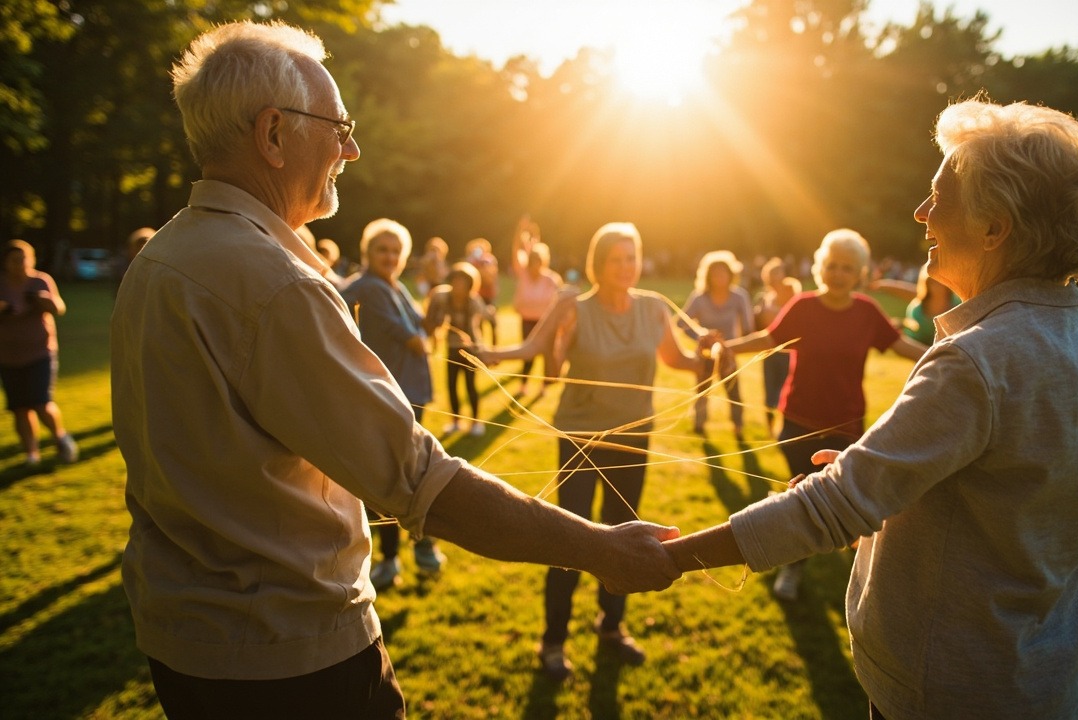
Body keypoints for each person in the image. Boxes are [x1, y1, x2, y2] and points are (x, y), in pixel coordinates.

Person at [110, 22, 679, 719]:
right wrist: (596, 546)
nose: (351, 148)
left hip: (185, 647)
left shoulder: (161, 259)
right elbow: (417, 480)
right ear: (273, 135)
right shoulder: (276, 282)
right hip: (290, 657)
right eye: (338, 126)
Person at [655, 99, 1078, 720]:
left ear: (994, 227)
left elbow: (834, 506)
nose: (921, 214)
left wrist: (668, 557)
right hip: (1054, 690)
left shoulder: (975, 360)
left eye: (939, 196)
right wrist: (893, 471)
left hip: (946, 691)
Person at [481, 222, 710, 682]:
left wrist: (712, 352)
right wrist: (487, 354)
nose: (627, 267)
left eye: (633, 257)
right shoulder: (574, 307)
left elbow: (678, 359)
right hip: (580, 439)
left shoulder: (652, 307)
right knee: (572, 537)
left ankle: (611, 625)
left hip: (634, 436)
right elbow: (532, 347)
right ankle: (553, 640)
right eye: (617, 259)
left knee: (628, 532)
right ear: (598, 263)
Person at [720, 229, 927, 601]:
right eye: (831, 265)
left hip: (845, 425)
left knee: (841, 503)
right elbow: (768, 339)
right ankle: (793, 569)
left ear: (859, 273)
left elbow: (900, 346)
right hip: (798, 422)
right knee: (802, 497)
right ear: (820, 267)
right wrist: (728, 348)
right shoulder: (803, 307)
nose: (838, 274)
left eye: (847, 268)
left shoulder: (867, 312)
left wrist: (945, 352)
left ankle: (857, 571)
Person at [341, 218, 447, 588]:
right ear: (367, 253)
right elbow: (415, 339)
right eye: (381, 249)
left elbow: (426, 326)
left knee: (410, 471)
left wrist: (442, 295)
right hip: (385, 394)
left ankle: (418, 548)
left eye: (395, 251)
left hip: (408, 392)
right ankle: (394, 557)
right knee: (390, 477)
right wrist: (425, 331)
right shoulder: (369, 289)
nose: (389, 256)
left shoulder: (394, 286)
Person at [1, 239, 77, 466]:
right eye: (14, 260)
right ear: (5, 263)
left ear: (31, 259)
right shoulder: (2, 284)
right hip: (7, 355)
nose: (19, 264)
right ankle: (31, 453)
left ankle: (60, 437)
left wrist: (45, 301)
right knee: (19, 407)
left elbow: (59, 308)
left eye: (23, 258)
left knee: (41, 402)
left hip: (40, 352)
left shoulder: (40, 281)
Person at [681, 250, 755, 440]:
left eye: (723, 273)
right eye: (715, 274)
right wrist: (701, 337)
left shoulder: (739, 297)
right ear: (708, 276)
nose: (719, 278)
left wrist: (731, 345)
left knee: (733, 391)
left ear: (731, 275)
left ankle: (738, 427)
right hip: (705, 353)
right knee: (702, 391)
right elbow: (681, 323)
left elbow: (748, 327)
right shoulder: (699, 298)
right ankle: (699, 425)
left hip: (728, 353)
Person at [425, 262, 487, 436]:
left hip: (469, 351)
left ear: (470, 285)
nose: (459, 286)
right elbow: (432, 318)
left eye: (463, 282)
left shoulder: (474, 302)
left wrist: (480, 349)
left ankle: (475, 423)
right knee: (451, 386)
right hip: (451, 348)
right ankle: (455, 421)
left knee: (470, 386)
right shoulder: (443, 298)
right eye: (456, 281)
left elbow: (478, 327)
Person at [509, 215, 562, 398]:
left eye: (538, 263)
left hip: (545, 321)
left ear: (543, 262)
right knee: (527, 353)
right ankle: (524, 384)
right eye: (532, 263)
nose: (534, 267)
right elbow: (515, 249)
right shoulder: (523, 274)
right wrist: (519, 230)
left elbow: (559, 302)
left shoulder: (551, 279)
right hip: (527, 320)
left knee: (546, 354)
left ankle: (544, 386)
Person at [753, 258, 796, 434]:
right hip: (769, 351)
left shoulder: (792, 295)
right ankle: (771, 428)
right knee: (770, 391)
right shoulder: (763, 299)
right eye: (772, 274)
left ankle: (787, 427)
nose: (776, 277)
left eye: (778, 273)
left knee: (788, 390)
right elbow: (758, 325)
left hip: (788, 351)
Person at [871, 264, 960, 345]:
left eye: (941, 282)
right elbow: (914, 339)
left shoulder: (959, 305)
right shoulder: (917, 310)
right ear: (926, 284)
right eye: (933, 282)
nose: (938, 286)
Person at [465, 237, 499, 344]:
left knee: (493, 323)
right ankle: (481, 346)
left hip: (489, 296)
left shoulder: (489, 260)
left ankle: (494, 348)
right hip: (477, 296)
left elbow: (489, 275)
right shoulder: (471, 261)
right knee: (478, 324)